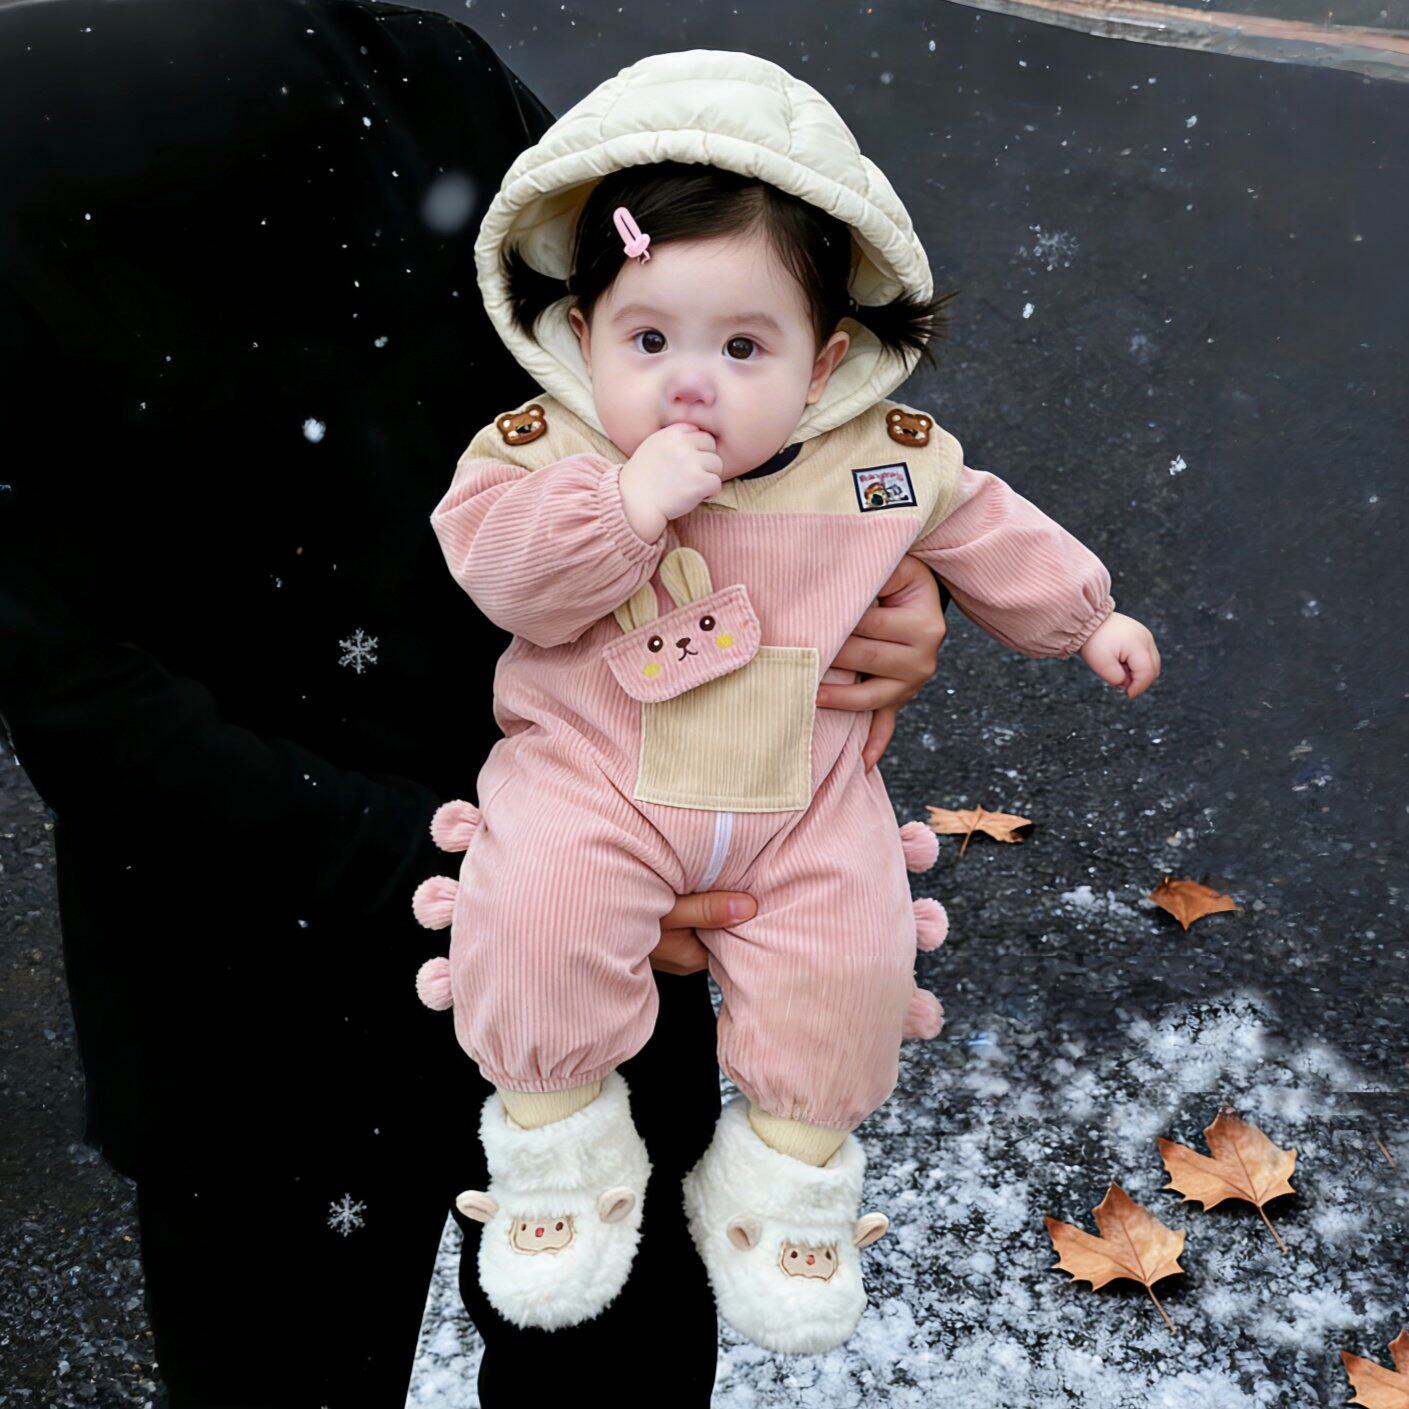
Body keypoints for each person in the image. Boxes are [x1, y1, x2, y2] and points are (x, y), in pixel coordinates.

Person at [0, 5, 951, 1403]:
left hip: (612, 914)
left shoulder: (413, 72)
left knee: (600, 1357)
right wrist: (483, 876)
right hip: (268, 989)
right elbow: (73, 692)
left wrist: (869, 565)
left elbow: (704, 345)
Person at [413, 48, 1162, 1358]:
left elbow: (987, 527)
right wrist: (624, 504)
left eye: (742, 345)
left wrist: (1085, 614)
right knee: (531, 911)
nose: (689, 382)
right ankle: (557, 1141)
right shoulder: (546, 455)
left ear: (821, 366)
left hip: (804, 801)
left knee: (850, 963)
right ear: (583, 336)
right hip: (593, 779)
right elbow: (508, 579)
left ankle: (784, 1176)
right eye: (648, 340)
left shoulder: (881, 468)